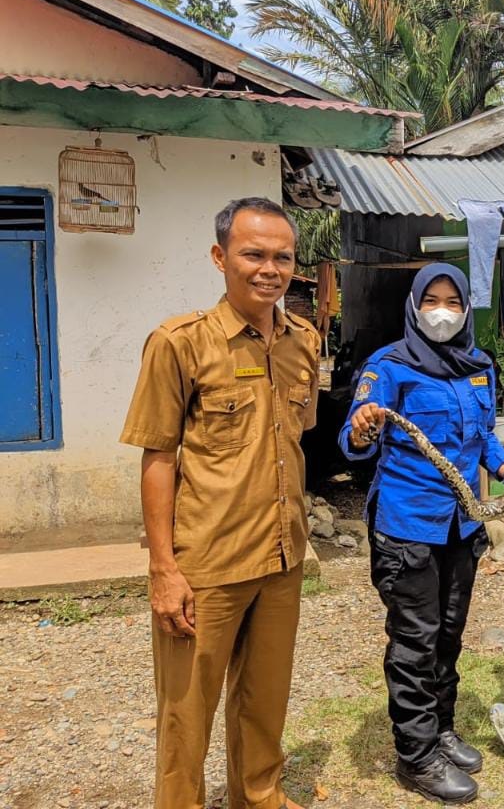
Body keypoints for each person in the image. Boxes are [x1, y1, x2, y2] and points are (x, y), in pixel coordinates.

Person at [120, 197, 319, 809]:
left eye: (282, 257)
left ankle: (258, 798)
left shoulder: (303, 342)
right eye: (253, 253)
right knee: (185, 716)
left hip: (281, 558)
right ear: (220, 257)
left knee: (263, 706)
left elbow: (297, 435)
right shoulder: (179, 343)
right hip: (206, 564)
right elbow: (158, 457)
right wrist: (164, 568)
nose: (269, 268)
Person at [339, 264, 504, 804]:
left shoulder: (478, 367)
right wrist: (362, 428)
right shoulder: (389, 366)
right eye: (433, 299)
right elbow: (353, 438)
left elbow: (484, 442)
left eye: (454, 300)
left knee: (450, 634)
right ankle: (415, 755)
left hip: (463, 524)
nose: (444, 311)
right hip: (408, 527)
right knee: (415, 640)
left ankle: (441, 730)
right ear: (414, 304)